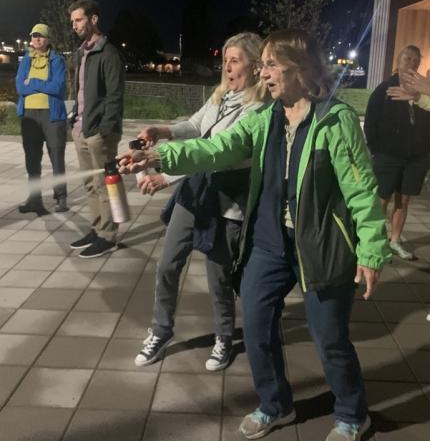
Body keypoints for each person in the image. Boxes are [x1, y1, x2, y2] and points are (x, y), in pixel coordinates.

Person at [118, 29, 391, 441]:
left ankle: (353, 414)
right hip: (268, 240)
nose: (263, 73)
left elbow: (361, 189)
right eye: (261, 64)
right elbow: (215, 149)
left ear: (299, 68)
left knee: (330, 338)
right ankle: (275, 405)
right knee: (258, 325)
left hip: (321, 244)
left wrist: (371, 249)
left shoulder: (336, 121)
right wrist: (158, 156)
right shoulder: (264, 120)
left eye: (270, 64)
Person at [122, 32, 268, 371]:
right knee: (168, 264)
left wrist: (164, 172)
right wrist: (162, 131)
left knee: (219, 276)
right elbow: (195, 126)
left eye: (235, 61)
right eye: (225, 61)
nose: (227, 68)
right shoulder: (222, 96)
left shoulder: (258, 109)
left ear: (255, 66)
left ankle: (223, 336)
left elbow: (217, 154)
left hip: (227, 201)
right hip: (196, 192)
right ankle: (160, 331)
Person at [68, 0, 125, 258]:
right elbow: (78, 90)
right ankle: (97, 228)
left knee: (106, 184)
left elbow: (115, 96)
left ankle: (109, 235)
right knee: (90, 184)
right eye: (72, 22)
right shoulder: (82, 53)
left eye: (79, 20)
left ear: (93, 19)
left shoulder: (109, 53)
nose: (75, 25)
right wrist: (74, 119)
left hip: (100, 133)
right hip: (81, 129)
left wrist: (104, 128)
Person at [364, 45, 430, 260]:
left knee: (404, 199)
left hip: (416, 158)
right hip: (388, 155)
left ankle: (395, 239)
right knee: (382, 198)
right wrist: (377, 151)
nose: (411, 63)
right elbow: (371, 122)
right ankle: (375, 242)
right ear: (398, 62)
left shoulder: (423, 93)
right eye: (407, 59)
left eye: (415, 60)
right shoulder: (384, 89)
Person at [16, 23, 68, 215]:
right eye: (34, 36)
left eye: (41, 36)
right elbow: (21, 88)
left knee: (56, 158)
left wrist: (34, 83)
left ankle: (61, 198)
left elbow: (58, 88)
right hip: (29, 115)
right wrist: (42, 85)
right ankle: (34, 199)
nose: (37, 39)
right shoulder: (25, 61)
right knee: (32, 159)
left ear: (48, 39)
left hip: (52, 116)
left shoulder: (57, 61)